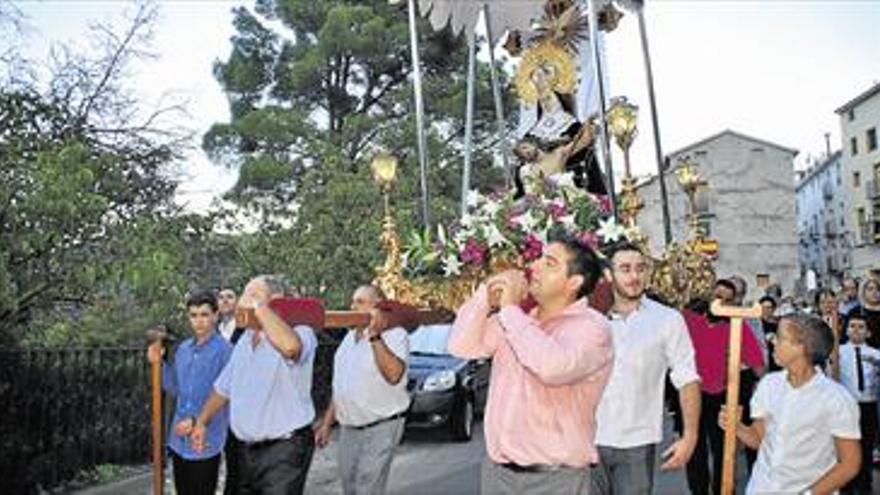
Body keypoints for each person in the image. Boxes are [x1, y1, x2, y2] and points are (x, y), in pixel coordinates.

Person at [448, 232, 613, 494]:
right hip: (498, 475)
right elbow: (462, 346)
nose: (534, 267)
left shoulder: (593, 329)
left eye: (549, 263)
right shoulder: (519, 321)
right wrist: (485, 296)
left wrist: (511, 310)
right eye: (538, 259)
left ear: (574, 282)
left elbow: (552, 367)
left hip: (557, 480)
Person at [191, 275, 318, 495]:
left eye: (252, 295)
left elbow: (290, 348)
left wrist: (261, 308)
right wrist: (201, 422)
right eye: (245, 294)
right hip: (245, 452)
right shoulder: (244, 340)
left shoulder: (300, 330)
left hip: (284, 452)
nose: (242, 301)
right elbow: (222, 388)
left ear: (275, 300)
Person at [592, 242, 701, 495]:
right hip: (588, 440)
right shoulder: (590, 319)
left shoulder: (668, 320)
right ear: (609, 274)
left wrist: (690, 436)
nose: (634, 276)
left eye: (641, 268)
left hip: (637, 443)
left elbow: (687, 378)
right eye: (626, 269)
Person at [720, 313, 861, 494]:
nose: (773, 342)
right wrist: (736, 426)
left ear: (802, 347)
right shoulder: (768, 384)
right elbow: (758, 439)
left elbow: (850, 464)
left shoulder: (836, 399)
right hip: (761, 488)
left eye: (780, 337)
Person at [313, 285, 410, 495]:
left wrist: (375, 336)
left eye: (360, 302)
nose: (353, 306)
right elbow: (341, 386)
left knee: (368, 488)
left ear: (377, 307)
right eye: (353, 301)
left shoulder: (395, 334)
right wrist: (327, 423)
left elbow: (394, 375)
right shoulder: (348, 339)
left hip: (381, 426)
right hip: (349, 429)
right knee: (350, 487)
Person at [683, 279, 765, 495]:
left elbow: (757, 363)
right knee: (694, 448)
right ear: (710, 295)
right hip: (693, 394)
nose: (722, 302)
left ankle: (723, 490)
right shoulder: (689, 320)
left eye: (728, 299)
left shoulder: (737, 326)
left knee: (723, 449)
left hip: (722, 395)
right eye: (718, 296)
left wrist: (760, 383)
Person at [147, 290, 232, 495]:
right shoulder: (183, 349)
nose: (199, 321)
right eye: (193, 315)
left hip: (204, 438)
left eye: (204, 315)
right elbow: (175, 387)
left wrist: (196, 421)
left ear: (215, 315)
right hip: (178, 440)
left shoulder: (226, 351)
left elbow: (227, 394)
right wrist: (157, 365)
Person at [839, 312, 880, 494]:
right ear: (846, 330)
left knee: (866, 446)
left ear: (868, 333)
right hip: (846, 407)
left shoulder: (876, 354)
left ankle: (865, 486)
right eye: (852, 326)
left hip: (868, 405)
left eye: (861, 327)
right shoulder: (838, 352)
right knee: (847, 448)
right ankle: (846, 486)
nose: (856, 330)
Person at [846, 278, 880, 348]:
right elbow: (846, 336)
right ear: (863, 291)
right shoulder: (854, 312)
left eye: (878, 289)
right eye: (870, 289)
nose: (875, 292)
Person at [757, 295, 781, 372]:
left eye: (769, 308)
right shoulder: (755, 325)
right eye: (763, 307)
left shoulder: (779, 324)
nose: (766, 310)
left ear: (774, 309)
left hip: (776, 361)